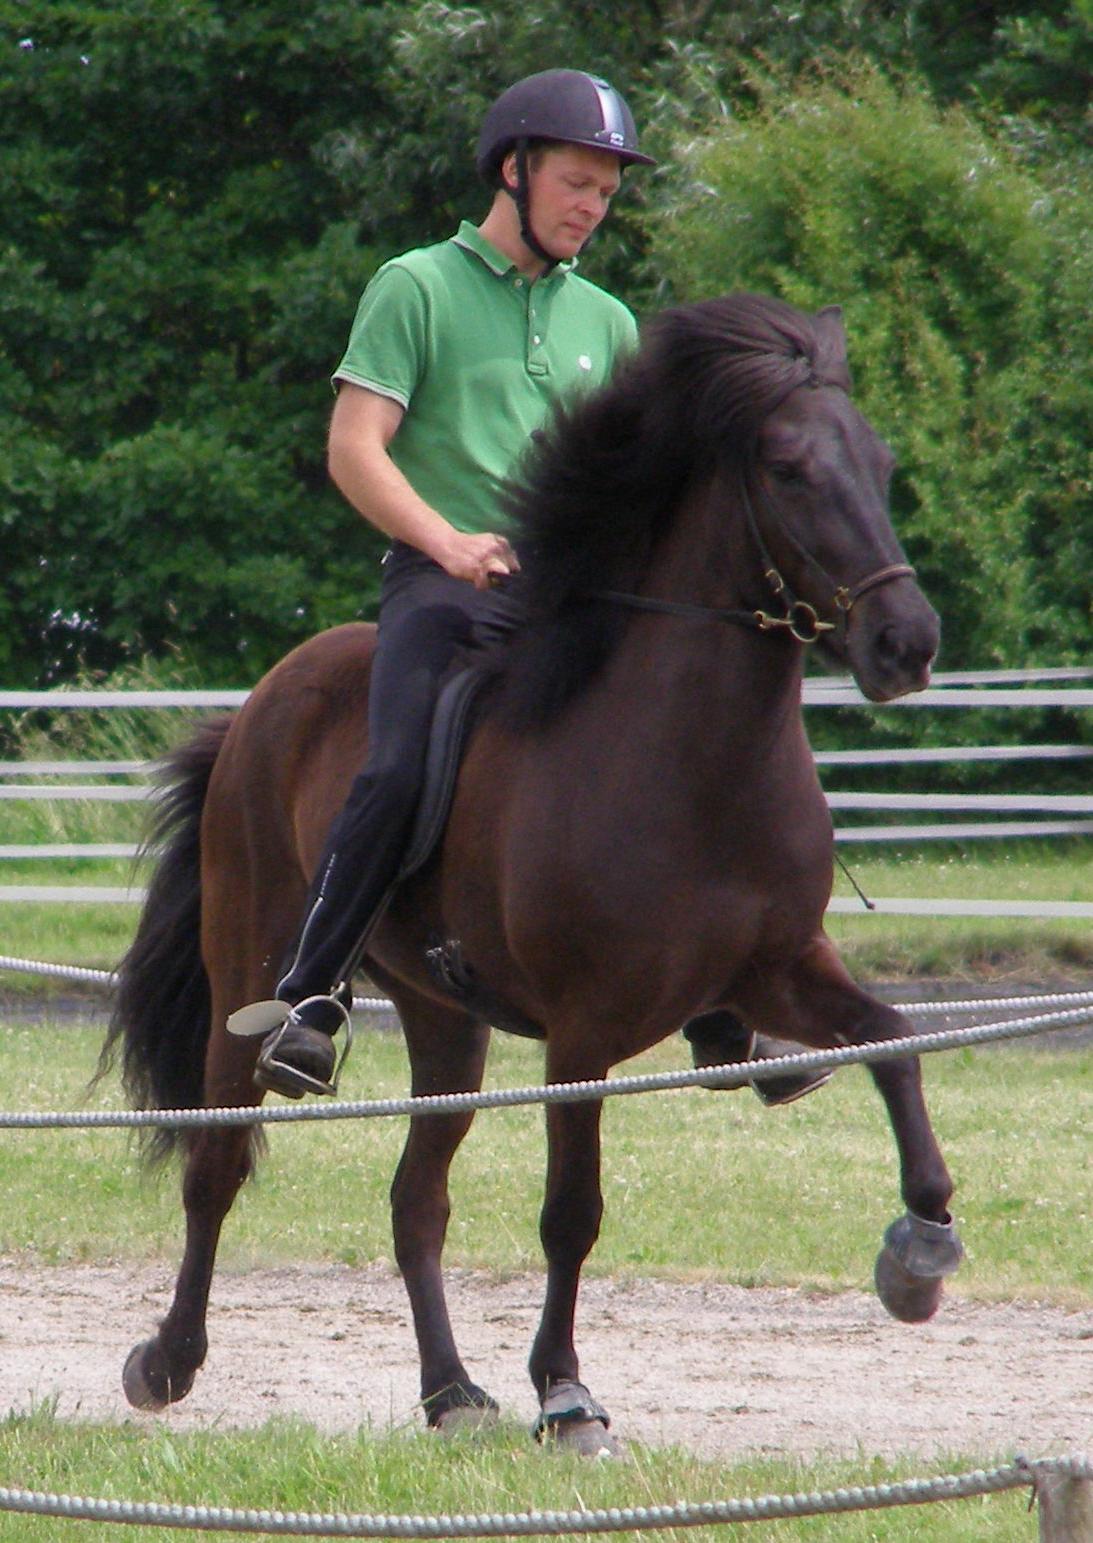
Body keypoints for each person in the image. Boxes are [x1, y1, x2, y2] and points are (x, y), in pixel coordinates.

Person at [242, 68, 829, 1109]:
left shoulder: (605, 320)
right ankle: (315, 993)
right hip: (447, 582)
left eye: (605, 194)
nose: (590, 209)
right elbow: (353, 450)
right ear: (512, 171)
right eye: (574, 183)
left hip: (575, 594)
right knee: (393, 762)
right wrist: (449, 541)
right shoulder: (414, 287)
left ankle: (728, 994)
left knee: (693, 727)